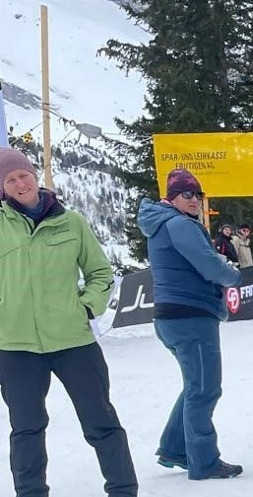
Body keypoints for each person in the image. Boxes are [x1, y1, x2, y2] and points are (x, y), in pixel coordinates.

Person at [0, 148, 138, 497]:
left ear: (35, 175)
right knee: (27, 430)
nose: (20, 183)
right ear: (3, 187)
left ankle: (123, 491)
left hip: (74, 342)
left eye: (23, 175)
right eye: (10, 179)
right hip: (16, 347)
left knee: (101, 422)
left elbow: (100, 273)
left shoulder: (71, 221)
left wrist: (87, 307)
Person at [137, 168, 244, 480]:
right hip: (190, 316)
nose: (195, 199)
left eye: (198, 194)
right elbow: (209, 265)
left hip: (176, 316)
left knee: (194, 386)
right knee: (204, 389)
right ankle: (204, 461)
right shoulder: (180, 224)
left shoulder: (164, 222)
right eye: (187, 194)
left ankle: (176, 448)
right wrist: (232, 274)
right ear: (173, 197)